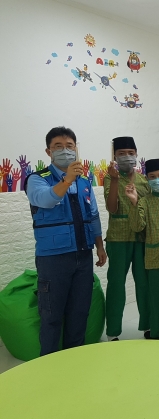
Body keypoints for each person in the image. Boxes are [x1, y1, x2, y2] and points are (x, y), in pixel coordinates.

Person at [25, 126, 106, 356]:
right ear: (48, 151)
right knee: (51, 316)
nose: (65, 150)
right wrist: (68, 179)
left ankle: (74, 361)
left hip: (83, 255)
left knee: (79, 313)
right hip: (53, 259)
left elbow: (93, 215)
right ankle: (49, 365)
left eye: (69, 146)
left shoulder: (84, 182)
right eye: (58, 146)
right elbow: (45, 200)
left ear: (76, 149)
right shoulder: (37, 179)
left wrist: (100, 246)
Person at [104, 136, 151, 342]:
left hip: (141, 237)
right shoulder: (110, 178)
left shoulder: (144, 180)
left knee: (144, 284)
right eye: (121, 153)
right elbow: (111, 208)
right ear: (114, 156)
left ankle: (148, 326)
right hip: (118, 238)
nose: (127, 157)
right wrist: (115, 180)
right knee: (116, 285)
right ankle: (113, 331)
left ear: (136, 154)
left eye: (130, 153)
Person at [125, 158, 159, 340]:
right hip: (155, 257)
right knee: (156, 300)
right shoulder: (145, 202)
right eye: (152, 177)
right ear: (147, 178)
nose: (157, 180)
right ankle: (158, 334)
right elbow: (137, 226)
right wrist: (134, 203)